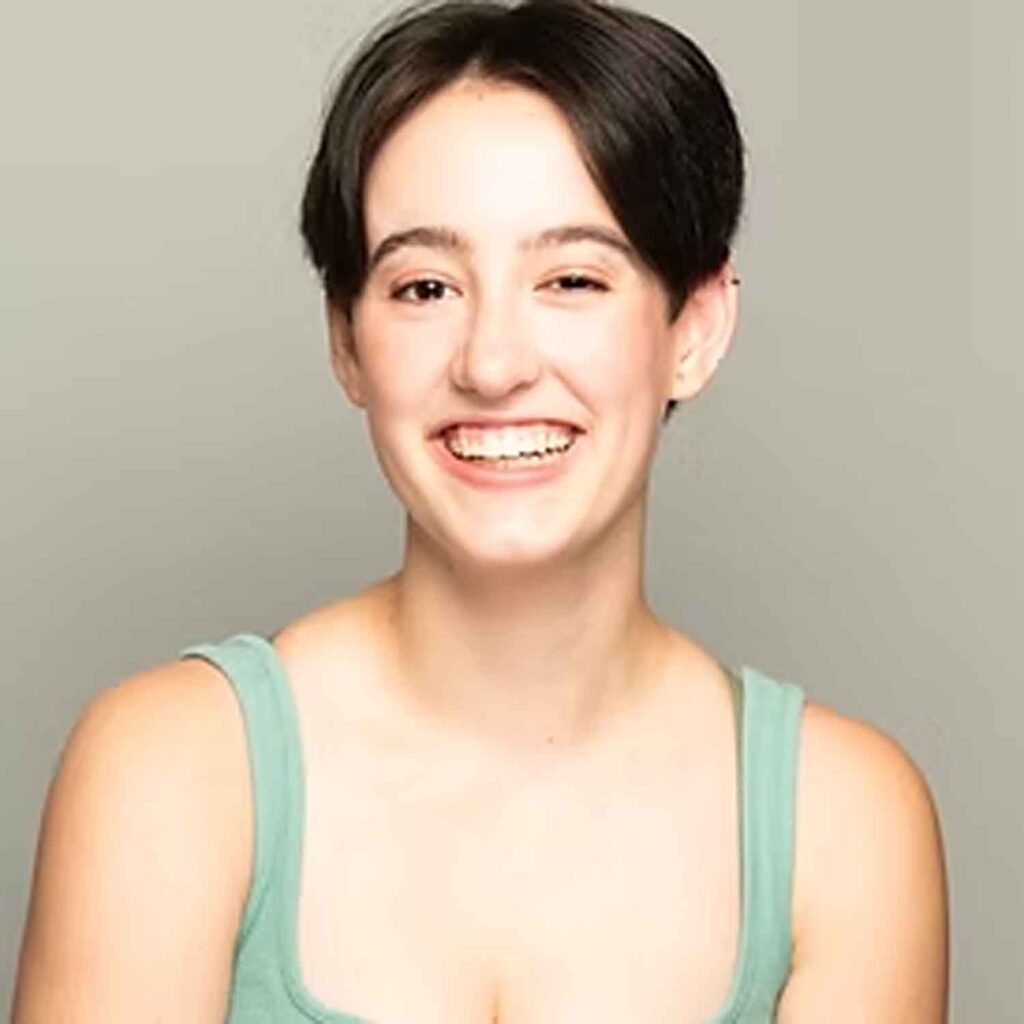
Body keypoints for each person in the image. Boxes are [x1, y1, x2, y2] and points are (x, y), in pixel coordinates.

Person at [12, 0, 949, 1020]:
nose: (492, 364)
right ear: (346, 339)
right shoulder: (170, 772)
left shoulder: (842, 823)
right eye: (424, 288)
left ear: (695, 327)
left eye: (572, 279)